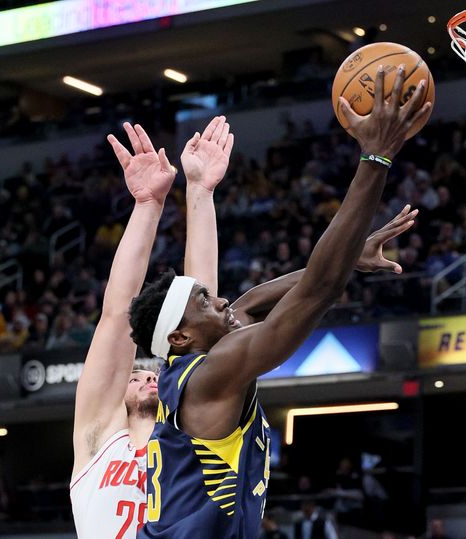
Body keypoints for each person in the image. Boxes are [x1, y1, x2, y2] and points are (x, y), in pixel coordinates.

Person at [131, 66, 430, 538]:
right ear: (181, 336)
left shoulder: (195, 369)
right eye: (206, 301)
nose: (222, 299)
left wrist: (351, 257)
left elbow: (249, 305)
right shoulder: (213, 373)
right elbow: (319, 290)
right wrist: (376, 157)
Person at [70, 117, 234, 538]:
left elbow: (201, 315)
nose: (146, 375)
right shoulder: (96, 439)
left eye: (152, 374)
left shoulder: (186, 429)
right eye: (137, 374)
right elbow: (114, 317)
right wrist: (147, 206)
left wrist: (200, 192)